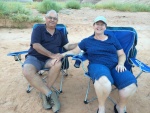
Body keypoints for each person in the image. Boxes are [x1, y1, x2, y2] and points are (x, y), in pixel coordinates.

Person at [61, 16, 137, 113]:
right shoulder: (87, 41)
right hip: (97, 65)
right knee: (104, 82)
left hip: (115, 66)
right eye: (97, 24)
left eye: (102, 24)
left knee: (131, 84)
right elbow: (74, 51)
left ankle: (120, 107)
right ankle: (101, 108)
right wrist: (60, 55)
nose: (99, 26)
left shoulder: (112, 39)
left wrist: (121, 63)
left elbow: (121, 54)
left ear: (105, 27)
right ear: (93, 26)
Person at [22, 10, 77, 112]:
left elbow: (67, 46)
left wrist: (78, 44)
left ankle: (45, 93)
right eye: (50, 18)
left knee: (58, 63)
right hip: (35, 57)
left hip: (49, 60)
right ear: (46, 18)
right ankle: (50, 94)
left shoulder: (60, 33)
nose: (52, 20)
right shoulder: (39, 29)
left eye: (55, 18)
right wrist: (52, 55)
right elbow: (36, 45)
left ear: (57, 20)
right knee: (27, 70)